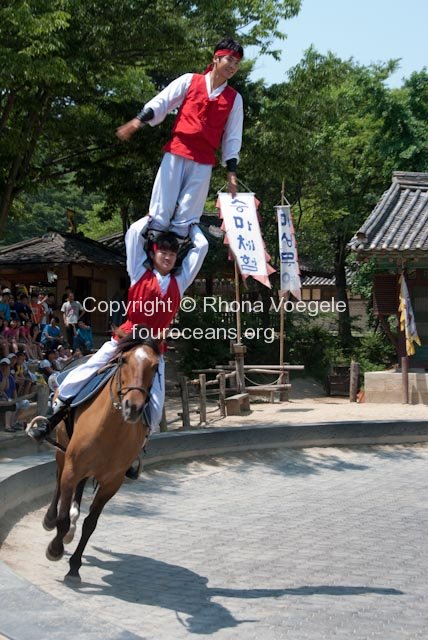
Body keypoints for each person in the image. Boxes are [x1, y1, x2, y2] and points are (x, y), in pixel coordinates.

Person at [27, 215, 208, 442]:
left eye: (172, 254)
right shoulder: (139, 273)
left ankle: (138, 443)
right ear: (153, 253)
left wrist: (192, 228)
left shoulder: (180, 282)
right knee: (93, 366)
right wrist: (152, 218)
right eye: (164, 252)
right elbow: (133, 233)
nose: (168, 257)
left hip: (153, 347)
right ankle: (53, 414)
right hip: (126, 338)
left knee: (156, 402)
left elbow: (202, 247)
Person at [116, 37, 244, 238]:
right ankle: (150, 253)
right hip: (178, 150)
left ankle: (175, 256)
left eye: (237, 63)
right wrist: (137, 121)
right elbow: (162, 101)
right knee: (161, 207)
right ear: (216, 59)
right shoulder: (190, 80)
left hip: (203, 160)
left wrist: (231, 173)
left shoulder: (234, 99)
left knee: (187, 215)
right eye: (230, 60)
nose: (233, 66)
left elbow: (233, 137)